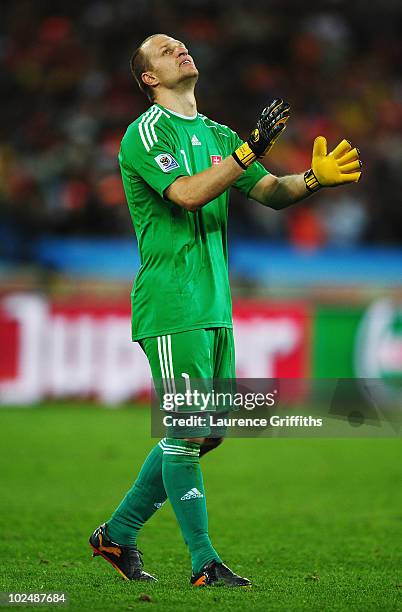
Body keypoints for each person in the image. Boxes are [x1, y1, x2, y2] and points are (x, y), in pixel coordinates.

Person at [89, 33, 362, 587]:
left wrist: (311, 180)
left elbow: (270, 190)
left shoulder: (217, 132)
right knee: (188, 430)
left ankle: (117, 534)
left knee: (205, 432)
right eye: (165, 51)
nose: (181, 50)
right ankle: (204, 563)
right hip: (172, 302)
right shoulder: (145, 134)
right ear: (149, 78)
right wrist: (246, 154)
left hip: (214, 304)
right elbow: (187, 193)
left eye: (182, 45)